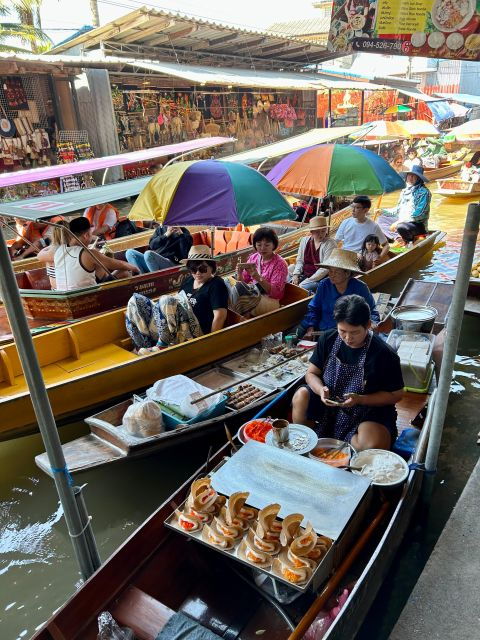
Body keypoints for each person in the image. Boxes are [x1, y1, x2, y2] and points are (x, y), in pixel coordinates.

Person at [292, 295, 403, 450]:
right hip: (329, 402)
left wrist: (360, 399)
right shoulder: (328, 339)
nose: (348, 338)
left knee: (372, 444)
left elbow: (396, 395)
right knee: (300, 396)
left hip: (366, 408)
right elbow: (311, 373)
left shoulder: (383, 354)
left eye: (355, 332)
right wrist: (320, 390)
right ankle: (307, 445)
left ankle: (351, 453)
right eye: (342, 331)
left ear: (368, 325)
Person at [125, 245, 228, 350]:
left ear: (212, 267)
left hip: (193, 333)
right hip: (174, 328)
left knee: (167, 300)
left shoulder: (216, 284)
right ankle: (144, 346)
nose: (197, 273)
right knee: (135, 300)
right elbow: (177, 303)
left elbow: (220, 315)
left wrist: (211, 342)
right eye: (193, 269)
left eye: (202, 268)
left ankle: (162, 346)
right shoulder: (188, 280)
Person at [296, 248, 379, 338]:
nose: (331, 274)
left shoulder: (360, 288)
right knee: (299, 332)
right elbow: (314, 308)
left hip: (348, 334)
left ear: (347, 273)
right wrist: (310, 326)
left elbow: (372, 310)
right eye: (330, 271)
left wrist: (372, 323)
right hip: (324, 332)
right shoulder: (324, 285)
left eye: (336, 271)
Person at [54, 217, 140, 291]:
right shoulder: (88, 254)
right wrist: (135, 269)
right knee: (124, 272)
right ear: (86, 235)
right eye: (91, 234)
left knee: (100, 269)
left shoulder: (58, 251)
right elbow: (120, 264)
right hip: (88, 295)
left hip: (64, 294)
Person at [229, 227, 288, 317]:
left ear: (274, 245)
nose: (262, 248)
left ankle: (239, 320)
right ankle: (239, 318)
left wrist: (258, 277)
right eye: (259, 245)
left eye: (267, 245)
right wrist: (239, 273)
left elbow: (276, 293)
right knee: (226, 283)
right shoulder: (254, 257)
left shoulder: (280, 264)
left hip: (270, 301)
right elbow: (243, 283)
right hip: (254, 294)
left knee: (237, 294)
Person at [378, 165, 431, 244]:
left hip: (417, 224)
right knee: (381, 219)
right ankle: (398, 238)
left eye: (414, 176)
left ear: (419, 178)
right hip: (402, 221)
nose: (410, 178)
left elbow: (420, 214)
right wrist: (383, 211)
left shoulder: (424, 192)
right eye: (409, 175)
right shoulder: (404, 191)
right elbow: (397, 209)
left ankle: (408, 242)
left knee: (401, 226)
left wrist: (399, 221)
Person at [291, 217, 337, 293]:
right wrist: (296, 275)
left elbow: (325, 268)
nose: (321, 234)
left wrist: (308, 281)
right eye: (317, 232)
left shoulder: (330, 243)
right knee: (290, 281)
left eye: (323, 231)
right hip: (304, 273)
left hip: (321, 278)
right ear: (311, 232)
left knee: (303, 288)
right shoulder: (304, 240)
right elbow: (300, 261)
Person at [335, 196, 389, 260]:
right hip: (344, 255)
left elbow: (386, 245)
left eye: (357, 207)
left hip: (361, 259)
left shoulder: (373, 226)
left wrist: (379, 258)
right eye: (353, 207)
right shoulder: (346, 222)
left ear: (366, 210)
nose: (353, 210)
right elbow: (335, 241)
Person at [125, 225, 192, 273]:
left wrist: (181, 235)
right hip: (153, 262)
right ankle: (142, 279)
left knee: (148, 254)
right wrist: (165, 235)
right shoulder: (160, 229)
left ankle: (155, 279)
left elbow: (185, 255)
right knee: (130, 252)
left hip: (171, 263)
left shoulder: (184, 232)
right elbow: (152, 245)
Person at [36, 220, 69, 289]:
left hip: (57, 291)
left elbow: (39, 256)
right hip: (70, 288)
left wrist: (51, 246)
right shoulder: (73, 248)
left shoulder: (52, 251)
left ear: (53, 234)